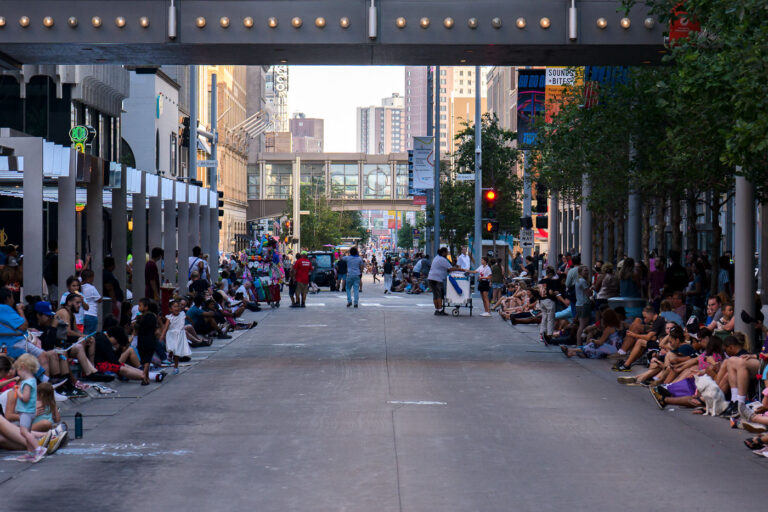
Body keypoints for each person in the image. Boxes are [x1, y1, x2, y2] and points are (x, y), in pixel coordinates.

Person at [12, 354, 47, 462]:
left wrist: (18, 392)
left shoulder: (27, 383)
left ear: (22, 367)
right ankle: (30, 452)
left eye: (17, 369)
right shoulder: (33, 380)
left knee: (24, 432)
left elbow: (25, 398)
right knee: (27, 431)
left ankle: (38, 449)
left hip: (26, 411)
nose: (17, 372)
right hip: (30, 411)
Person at [427, 247, 466, 316]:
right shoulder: (442, 259)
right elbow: (450, 268)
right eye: (447, 252)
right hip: (437, 279)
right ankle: (440, 310)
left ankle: (437, 310)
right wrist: (460, 269)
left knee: (435, 295)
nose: (447, 254)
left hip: (431, 278)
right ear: (443, 253)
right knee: (439, 295)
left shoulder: (436, 257)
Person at [160, 300, 191, 375]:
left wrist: (191, 322)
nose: (177, 308)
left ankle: (176, 367)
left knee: (177, 352)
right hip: (171, 335)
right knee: (171, 348)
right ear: (170, 309)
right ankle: (170, 355)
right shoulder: (169, 317)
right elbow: (166, 327)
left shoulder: (182, 314)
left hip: (180, 335)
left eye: (178, 306)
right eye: (174, 306)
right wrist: (162, 336)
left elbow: (188, 318)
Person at [135, 298, 158, 386]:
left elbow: (138, 327)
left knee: (145, 360)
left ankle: (144, 376)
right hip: (150, 340)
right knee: (147, 359)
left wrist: (136, 322)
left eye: (140, 306)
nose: (138, 307)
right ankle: (146, 377)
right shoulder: (153, 317)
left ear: (146, 307)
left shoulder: (143, 317)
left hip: (142, 340)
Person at [538, 267, 560, 343]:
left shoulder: (540, 281)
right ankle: (549, 335)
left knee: (544, 317)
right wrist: (555, 293)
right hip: (549, 300)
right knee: (550, 318)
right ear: (550, 274)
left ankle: (542, 334)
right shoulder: (551, 281)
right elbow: (550, 292)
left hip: (542, 301)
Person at [79, 269, 101, 335]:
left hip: (82, 315)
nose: (93, 280)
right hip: (91, 314)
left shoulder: (80, 288)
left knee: (83, 335)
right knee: (90, 336)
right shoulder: (91, 288)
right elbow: (99, 299)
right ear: (89, 279)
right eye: (92, 278)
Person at [43, 240, 58, 304]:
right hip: (54, 281)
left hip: (46, 280)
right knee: (54, 298)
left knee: (48, 297)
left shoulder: (46, 257)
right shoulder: (55, 257)